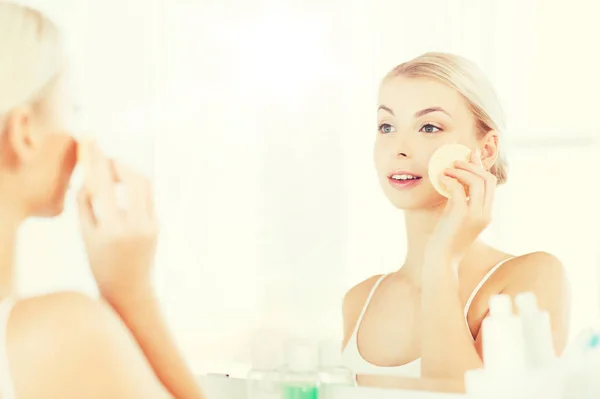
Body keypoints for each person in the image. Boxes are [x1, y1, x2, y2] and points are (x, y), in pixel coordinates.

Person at [0, 2, 204, 398]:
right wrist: (131, 293)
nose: (79, 134)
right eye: (71, 107)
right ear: (25, 133)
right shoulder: (57, 336)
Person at [341, 52, 570, 388]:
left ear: (487, 150)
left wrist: (441, 262)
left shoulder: (531, 279)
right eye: (386, 126)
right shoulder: (359, 300)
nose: (399, 148)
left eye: (429, 127)